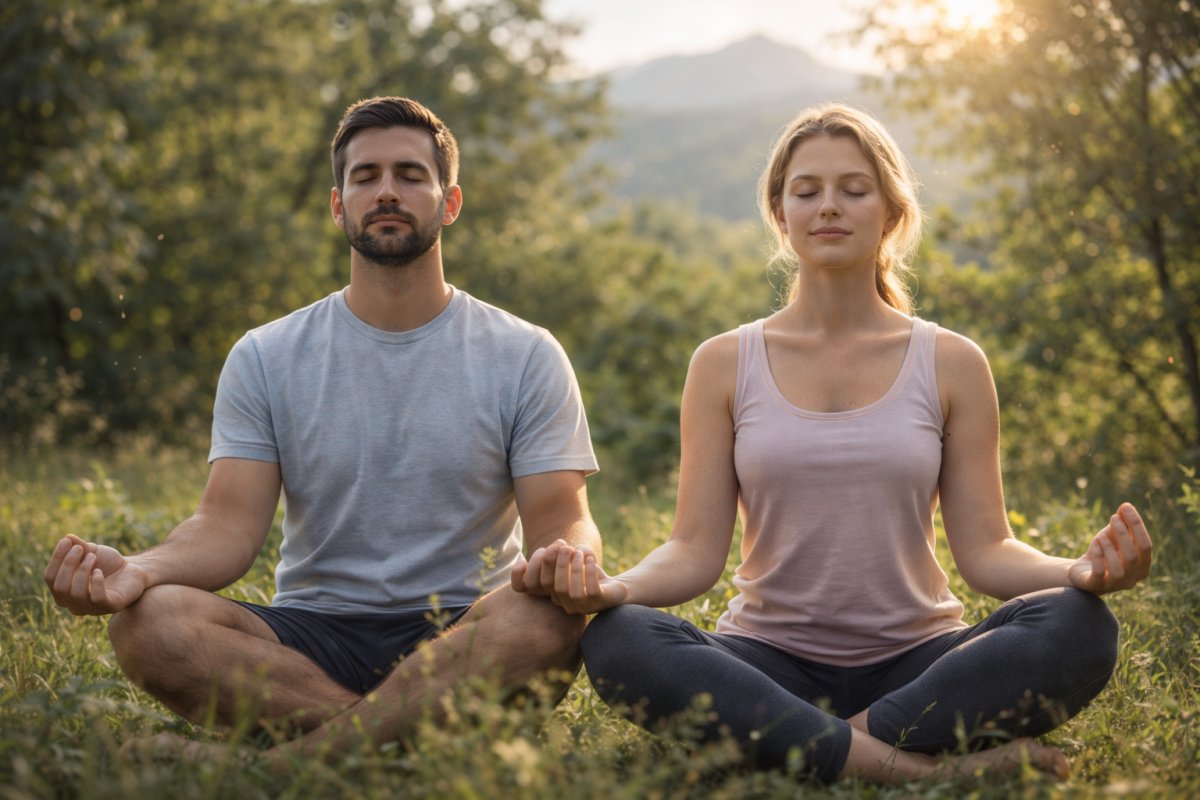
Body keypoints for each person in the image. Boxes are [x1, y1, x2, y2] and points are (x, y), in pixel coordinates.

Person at [529, 104, 1152, 785]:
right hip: (765, 662)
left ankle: (805, 748)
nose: (829, 206)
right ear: (781, 212)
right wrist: (614, 589)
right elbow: (693, 551)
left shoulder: (951, 361)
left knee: (1079, 626)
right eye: (807, 191)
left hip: (920, 665)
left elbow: (987, 551)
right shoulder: (722, 362)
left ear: (890, 212)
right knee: (622, 637)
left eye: (854, 189)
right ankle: (918, 770)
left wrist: (1079, 574)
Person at [44, 96, 600, 761]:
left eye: (410, 175)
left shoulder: (526, 353)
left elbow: (563, 519)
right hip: (310, 638)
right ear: (339, 205)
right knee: (151, 624)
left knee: (544, 618)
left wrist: (569, 556)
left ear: (448, 202)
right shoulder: (266, 354)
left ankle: (276, 769)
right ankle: (398, 748)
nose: (387, 191)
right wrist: (135, 570)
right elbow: (225, 529)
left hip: (465, 631)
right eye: (365, 176)